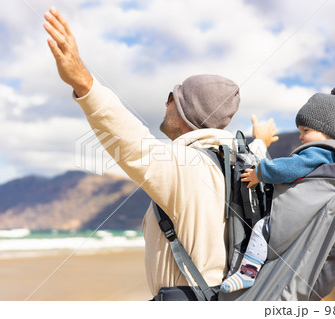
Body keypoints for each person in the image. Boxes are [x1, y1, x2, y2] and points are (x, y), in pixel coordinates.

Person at [43, 7, 278, 300]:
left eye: (172, 97)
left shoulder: (187, 166)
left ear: (183, 111)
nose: (165, 103)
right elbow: (254, 153)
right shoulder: (240, 163)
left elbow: (132, 142)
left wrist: (84, 84)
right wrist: (261, 141)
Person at [220, 85, 335, 293]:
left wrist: (260, 172)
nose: (301, 137)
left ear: (328, 131)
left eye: (306, 131)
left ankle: (247, 272)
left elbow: (290, 167)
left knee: (261, 230)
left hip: (294, 214)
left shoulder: (320, 152)